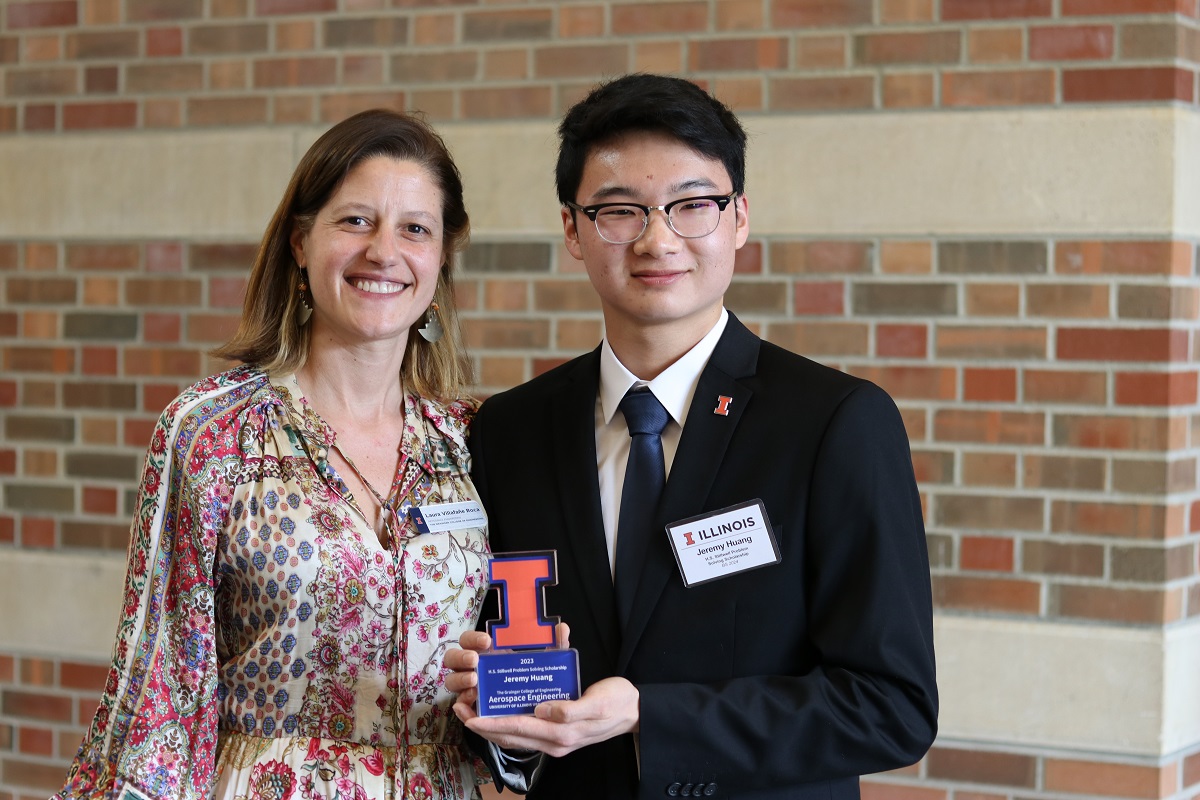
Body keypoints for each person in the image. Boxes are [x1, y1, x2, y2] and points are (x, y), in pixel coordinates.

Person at [445, 74, 938, 799]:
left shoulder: (833, 422)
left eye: (692, 205)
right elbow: (502, 672)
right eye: (619, 210)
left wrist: (652, 715)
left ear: (738, 219)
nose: (657, 238)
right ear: (572, 231)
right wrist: (495, 722)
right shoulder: (510, 430)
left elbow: (892, 707)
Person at [57, 109, 492, 800]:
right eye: (355, 221)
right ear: (299, 242)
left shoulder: (475, 441)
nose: (384, 251)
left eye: (415, 228)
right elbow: (162, 688)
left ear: (440, 261)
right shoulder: (213, 433)